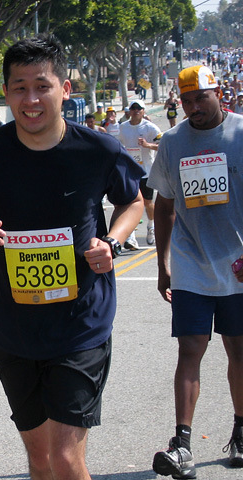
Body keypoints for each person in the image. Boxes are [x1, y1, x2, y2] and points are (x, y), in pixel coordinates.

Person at [0, 34, 144, 480]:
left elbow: (133, 202)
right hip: (14, 329)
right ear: (6, 93)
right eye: (20, 87)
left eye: (42, 86)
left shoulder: (98, 149)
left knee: (66, 457)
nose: (31, 99)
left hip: (81, 324)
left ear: (64, 89)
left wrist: (115, 241)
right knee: (41, 459)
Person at [148, 65, 243, 479]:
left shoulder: (240, 134)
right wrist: (164, 264)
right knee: (191, 350)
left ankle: (241, 432)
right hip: (190, 266)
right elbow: (164, 206)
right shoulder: (172, 142)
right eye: (185, 101)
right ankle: (182, 443)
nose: (192, 108)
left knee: (238, 351)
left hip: (237, 267)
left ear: (217, 92)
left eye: (199, 98)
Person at [119, 99, 161, 249]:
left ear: (143, 111)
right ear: (129, 111)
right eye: (133, 108)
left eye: (139, 108)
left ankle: (151, 227)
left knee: (148, 203)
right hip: (130, 172)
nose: (136, 110)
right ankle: (131, 236)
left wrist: (147, 145)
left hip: (146, 172)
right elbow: (118, 145)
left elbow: (161, 145)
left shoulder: (150, 127)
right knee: (130, 203)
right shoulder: (123, 127)